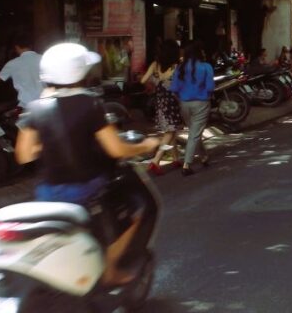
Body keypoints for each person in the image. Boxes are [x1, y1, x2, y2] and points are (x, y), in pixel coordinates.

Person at [15, 42, 159, 287]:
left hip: (48, 192)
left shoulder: (35, 108)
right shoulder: (90, 104)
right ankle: (110, 271)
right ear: (80, 73)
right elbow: (116, 149)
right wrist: (145, 146)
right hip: (87, 188)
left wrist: (50, 144)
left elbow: (24, 155)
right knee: (135, 212)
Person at [169, 40, 214, 176]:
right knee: (194, 134)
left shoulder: (180, 68)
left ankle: (204, 156)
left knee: (194, 132)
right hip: (201, 103)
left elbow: (174, 89)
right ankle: (186, 164)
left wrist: (181, 100)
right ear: (199, 52)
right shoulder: (206, 67)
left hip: (184, 104)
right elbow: (210, 87)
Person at [142, 39, 183, 175]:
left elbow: (143, 80)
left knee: (171, 132)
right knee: (170, 132)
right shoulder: (176, 66)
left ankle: (176, 158)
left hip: (160, 103)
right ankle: (156, 160)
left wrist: (155, 79)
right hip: (172, 102)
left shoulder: (155, 65)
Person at [0, 33, 42, 109]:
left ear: (17, 47)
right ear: (31, 46)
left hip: (26, 106)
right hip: (45, 104)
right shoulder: (43, 59)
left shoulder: (12, 64)